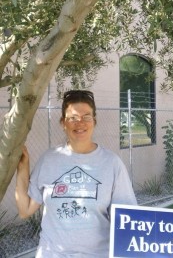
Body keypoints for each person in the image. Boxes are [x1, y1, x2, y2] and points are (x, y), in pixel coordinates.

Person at [15, 90, 137, 258]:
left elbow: (127, 219)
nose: (80, 123)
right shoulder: (49, 160)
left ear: (94, 121)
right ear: (63, 123)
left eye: (86, 116)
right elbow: (25, 210)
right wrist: (23, 167)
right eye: (72, 117)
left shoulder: (111, 164)